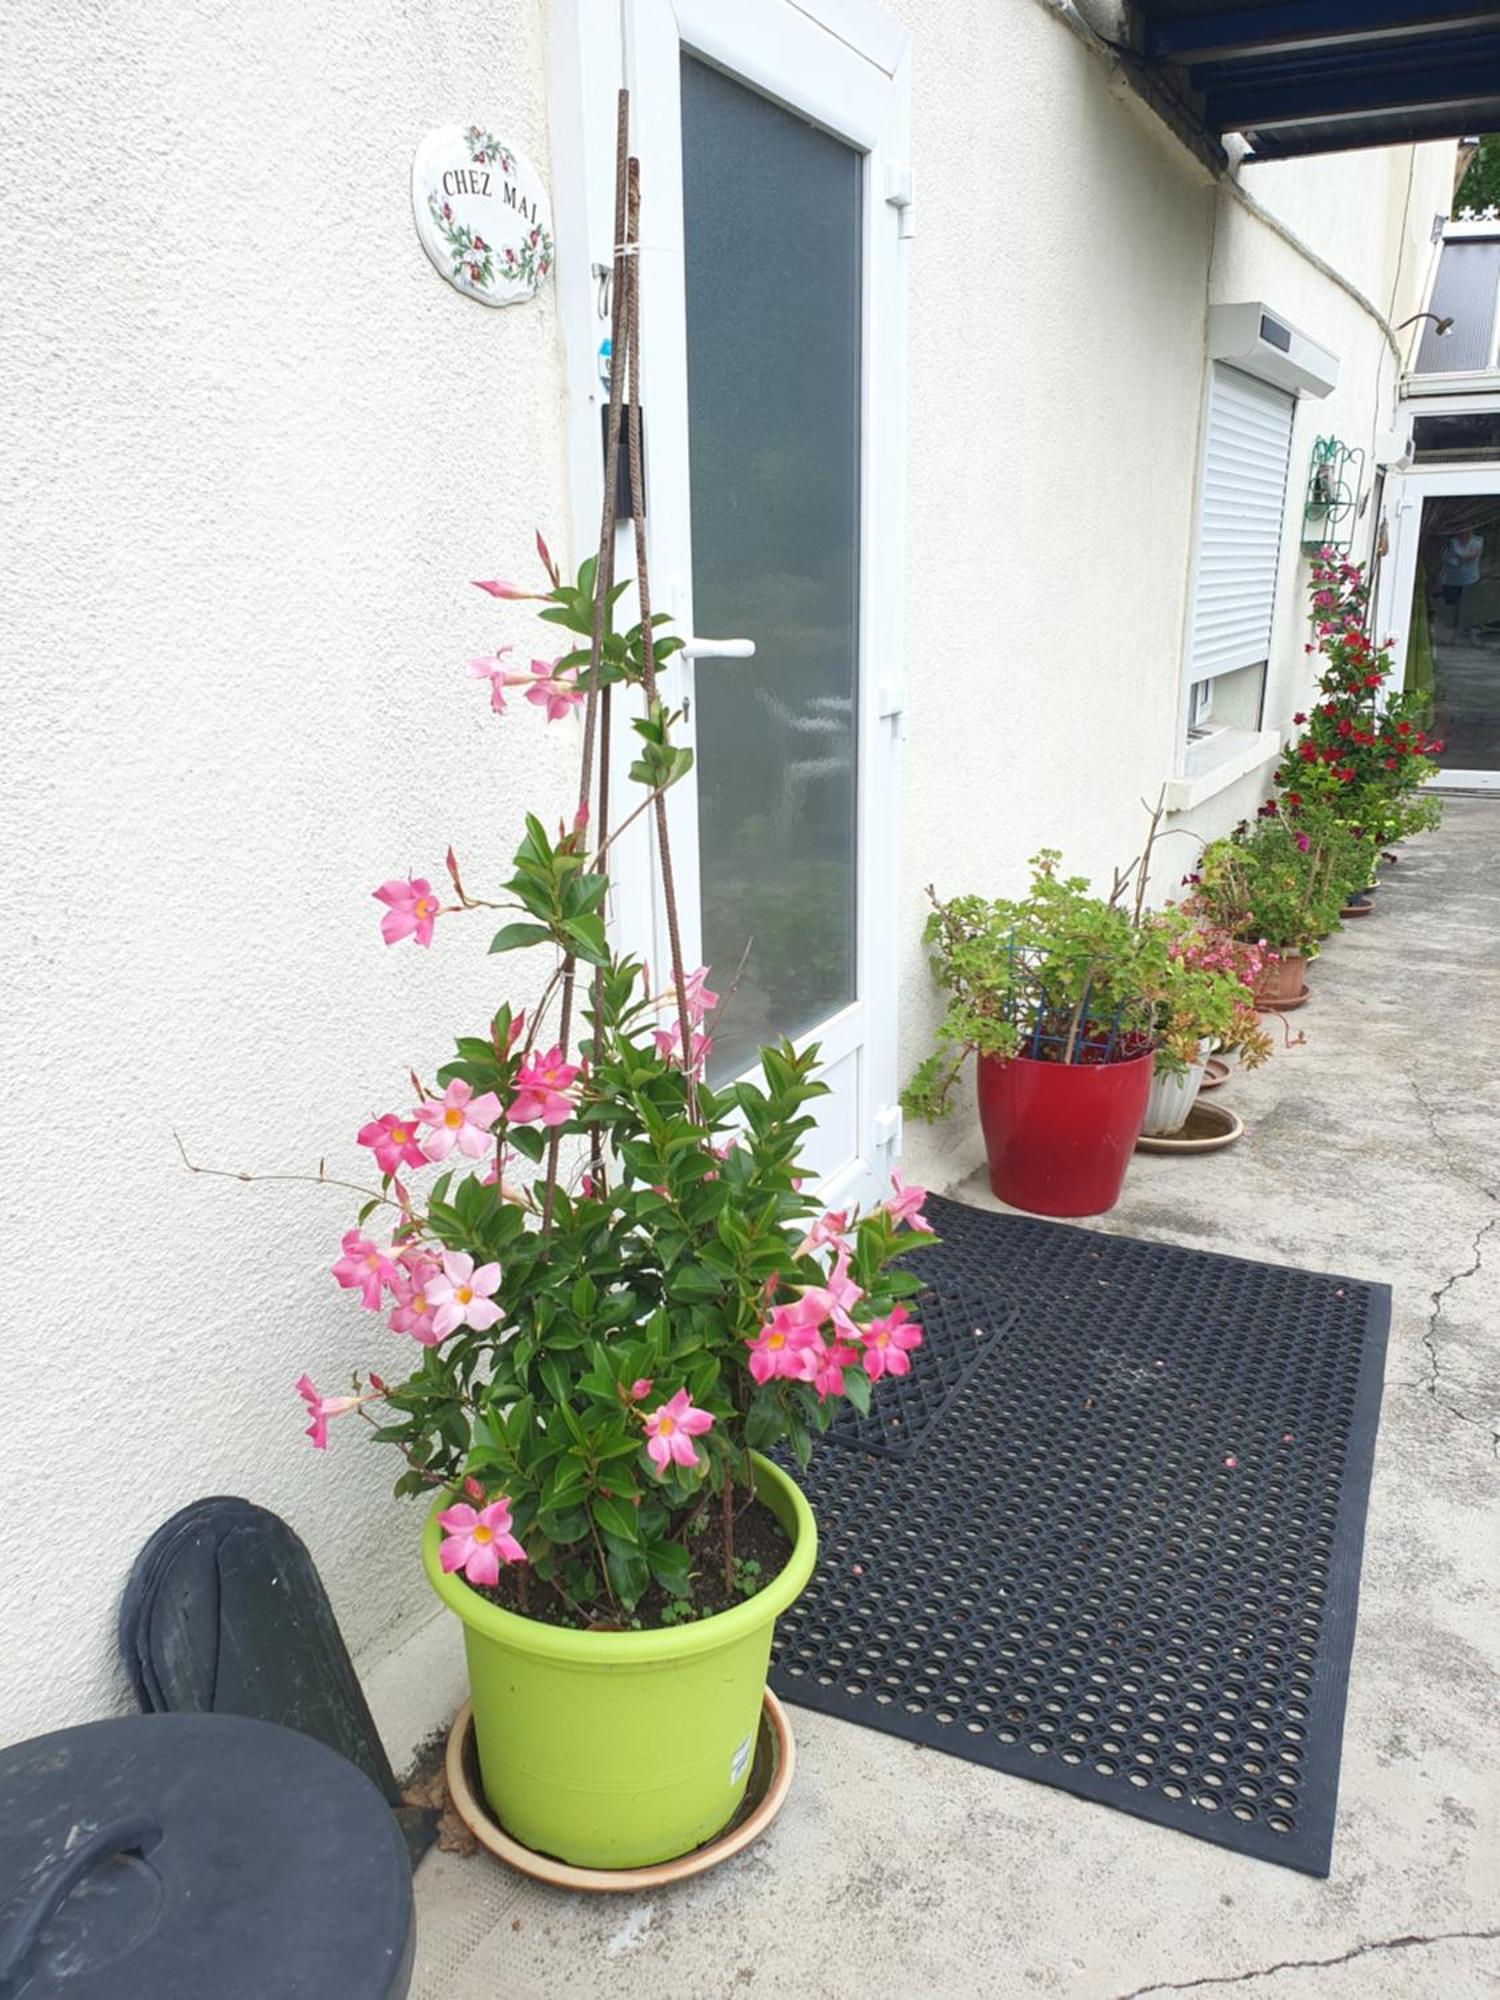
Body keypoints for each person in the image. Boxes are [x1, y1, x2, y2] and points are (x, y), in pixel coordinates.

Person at [1438, 525, 1484, 630]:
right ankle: (1452, 628)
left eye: (1467, 529)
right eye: (1461, 530)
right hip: (1452, 579)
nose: (1464, 532)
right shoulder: (1453, 542)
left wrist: (1462, 557)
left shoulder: (1477, 542)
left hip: (1470, 579)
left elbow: (1467, 557)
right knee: (1451, 604)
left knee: (1467, 606)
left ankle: (1467, 629)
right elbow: (1452, 556)